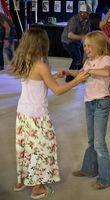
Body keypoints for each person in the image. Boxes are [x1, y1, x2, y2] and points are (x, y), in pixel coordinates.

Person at [8, 28, 89, 199]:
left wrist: (53, 76)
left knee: (25, 146)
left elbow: (38, 81)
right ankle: (37, 187)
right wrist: (77, 81)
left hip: (23, 114)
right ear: (42, 44)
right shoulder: (41, 64)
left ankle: (21, 180)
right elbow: (58, 91)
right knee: (41, 148)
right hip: (37, 116)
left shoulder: (25, 60)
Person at [61, 31, 110, 189]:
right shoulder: (87, 63)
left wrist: (90, 71)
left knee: (99, 143)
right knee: (92, 140)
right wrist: (68, 72)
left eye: (88, 45)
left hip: (101, 103)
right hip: (89, 103)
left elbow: (106, 72)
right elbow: (81, 75)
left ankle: (105, 179)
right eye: (84, 46)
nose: (85, 48)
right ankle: (89, 169)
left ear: (99, 46)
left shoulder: (105, 59)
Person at [61, 3, 91, 82]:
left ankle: (74, 76)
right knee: (77, 59)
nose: (88, 15)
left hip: (77, 43)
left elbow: (87, 37)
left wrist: (85, 56)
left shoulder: (87, 21)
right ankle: (69, 78)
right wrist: (83, 37)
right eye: (87, 13)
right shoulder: (74, 20)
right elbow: (70, 35)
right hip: (68, 42)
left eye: (89, 13)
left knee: (79, 60)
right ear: (82, 13)